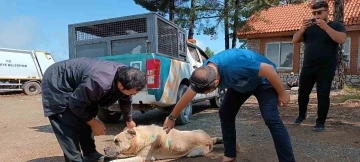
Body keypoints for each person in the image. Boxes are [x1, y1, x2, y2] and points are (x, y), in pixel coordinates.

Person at [162, 48, 295, 162]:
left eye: (209, 91)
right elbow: (188, 95)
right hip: (241, 85)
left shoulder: (236, 66)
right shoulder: (203, 74)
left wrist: (282, 92)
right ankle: (230, 155)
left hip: (263, 81)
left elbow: (269, 69)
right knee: (225, 112)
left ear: (216, 82)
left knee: (271, 118)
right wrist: (172, 117)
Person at [41, 57, 146, 162]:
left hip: (83, 84)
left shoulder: (124, 77)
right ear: (120, 85)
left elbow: (126, 99)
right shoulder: (101, 82)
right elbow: (75, 103)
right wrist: (94, 123)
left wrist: (129, 120)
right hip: (58, 81)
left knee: (88, 113)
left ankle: (90, 154)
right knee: (67, 121)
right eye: (133, 92)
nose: (135, 94)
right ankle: (74, 159)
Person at [292, 0, 346, 131]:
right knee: (302, 92)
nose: (316, 16)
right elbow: (295, 40)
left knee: (323, 94)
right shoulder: (309, 28)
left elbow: (342, 39)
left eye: (319, 12)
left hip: (326, 67)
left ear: (327, 12)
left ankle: (320, 122)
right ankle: (301, 115)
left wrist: (326, 27)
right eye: (314, 13)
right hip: (308, 66)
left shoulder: (336, 25)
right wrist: (302, 28)